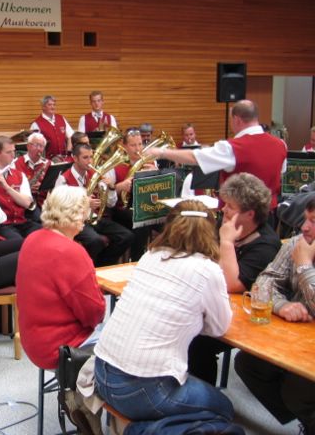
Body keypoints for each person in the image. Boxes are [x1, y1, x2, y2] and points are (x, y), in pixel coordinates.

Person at [93, 200, 243, 434]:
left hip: (101, 374)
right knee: (224, 408)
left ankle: (150, 426)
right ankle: (143, 430)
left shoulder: (150, 256)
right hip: (141, 389)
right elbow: (219, 328)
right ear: (210, 232)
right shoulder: (207, 270)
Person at [187, 173, 281, 385]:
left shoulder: (266, 245)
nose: (224, 210)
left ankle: (203, 397)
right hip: (215, 304)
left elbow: (232, 284)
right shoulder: (225, 224)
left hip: (248, 317)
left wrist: (227, 243)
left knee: (199, 341)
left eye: (230, 206)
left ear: (249, 214)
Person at [234, 197, 315, 434]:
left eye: (313, 221)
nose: (304, 227)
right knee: (248, 364)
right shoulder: (299, 243)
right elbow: (265, 281)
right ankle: (307, 419)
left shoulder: (301, 253)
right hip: (300, 340)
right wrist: (281, 306)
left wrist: (304, 266)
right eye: (305, 219)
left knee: (296, 389)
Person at [17, 185, 106, 371]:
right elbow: (95, 314)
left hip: (33, 341)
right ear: (74, 214)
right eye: (84, 212)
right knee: (130, 339)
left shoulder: (31, 239)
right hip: (62, 349)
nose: (86, 217)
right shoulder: (71, 252)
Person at [146, 100, 287, 211]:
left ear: (237, 119)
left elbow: (195, 157)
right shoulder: (281, 144)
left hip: (239, 217)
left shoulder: (232, 147)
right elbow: (280, 174)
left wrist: (161, 152)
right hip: (268, 214)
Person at [55, 143, 134, 266]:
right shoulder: (63, 178)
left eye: (91, 157)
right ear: (75, 158)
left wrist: (111, 188)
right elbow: (60, 207)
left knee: (126, 236)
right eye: (85, 157)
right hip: (76, 221)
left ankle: (102, 265)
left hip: (95, 218)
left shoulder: (94, 175)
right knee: (95, 241)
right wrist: (84, 204)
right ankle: (89, 268)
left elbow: (110, 204)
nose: (90, 161)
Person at [106, 128, 158, 261]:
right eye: (133, 145)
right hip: (121, 209)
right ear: (124, 146)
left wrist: (156, 174)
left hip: (146, 206)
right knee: (141, 220)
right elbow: (106, 196)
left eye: (140, 144)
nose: (138, 148)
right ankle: (137, 260)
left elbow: (158, 191)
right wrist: (120, 187)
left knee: (170, 220)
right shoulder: (115, 165)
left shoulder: (151, 162)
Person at [0, 136, 40, 240]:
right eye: (8, 152)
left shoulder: (19, 175)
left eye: (14, 151)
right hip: (1, 225)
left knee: (44, 235)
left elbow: (28, 203)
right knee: (18, 242)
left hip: (22, 222)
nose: (13, 155)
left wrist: (8, 189)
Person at [13, 132, 50, 216]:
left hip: (44, 201)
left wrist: (43, 186)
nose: (39, 149)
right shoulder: (15, 163)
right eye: (36, 145)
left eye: (41, 146)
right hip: (24, 201)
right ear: (28, 146)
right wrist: (27, 187)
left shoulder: (48, 164)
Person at [30, 95, 74, 161]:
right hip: (47, 161)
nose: (53, 107)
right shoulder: (36, 124)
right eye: (49, 105)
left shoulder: (61, 118)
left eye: (54, 105)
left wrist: (68, 154)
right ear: (43, 107)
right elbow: (34, 147)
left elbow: (70, 136)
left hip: (64, 159)